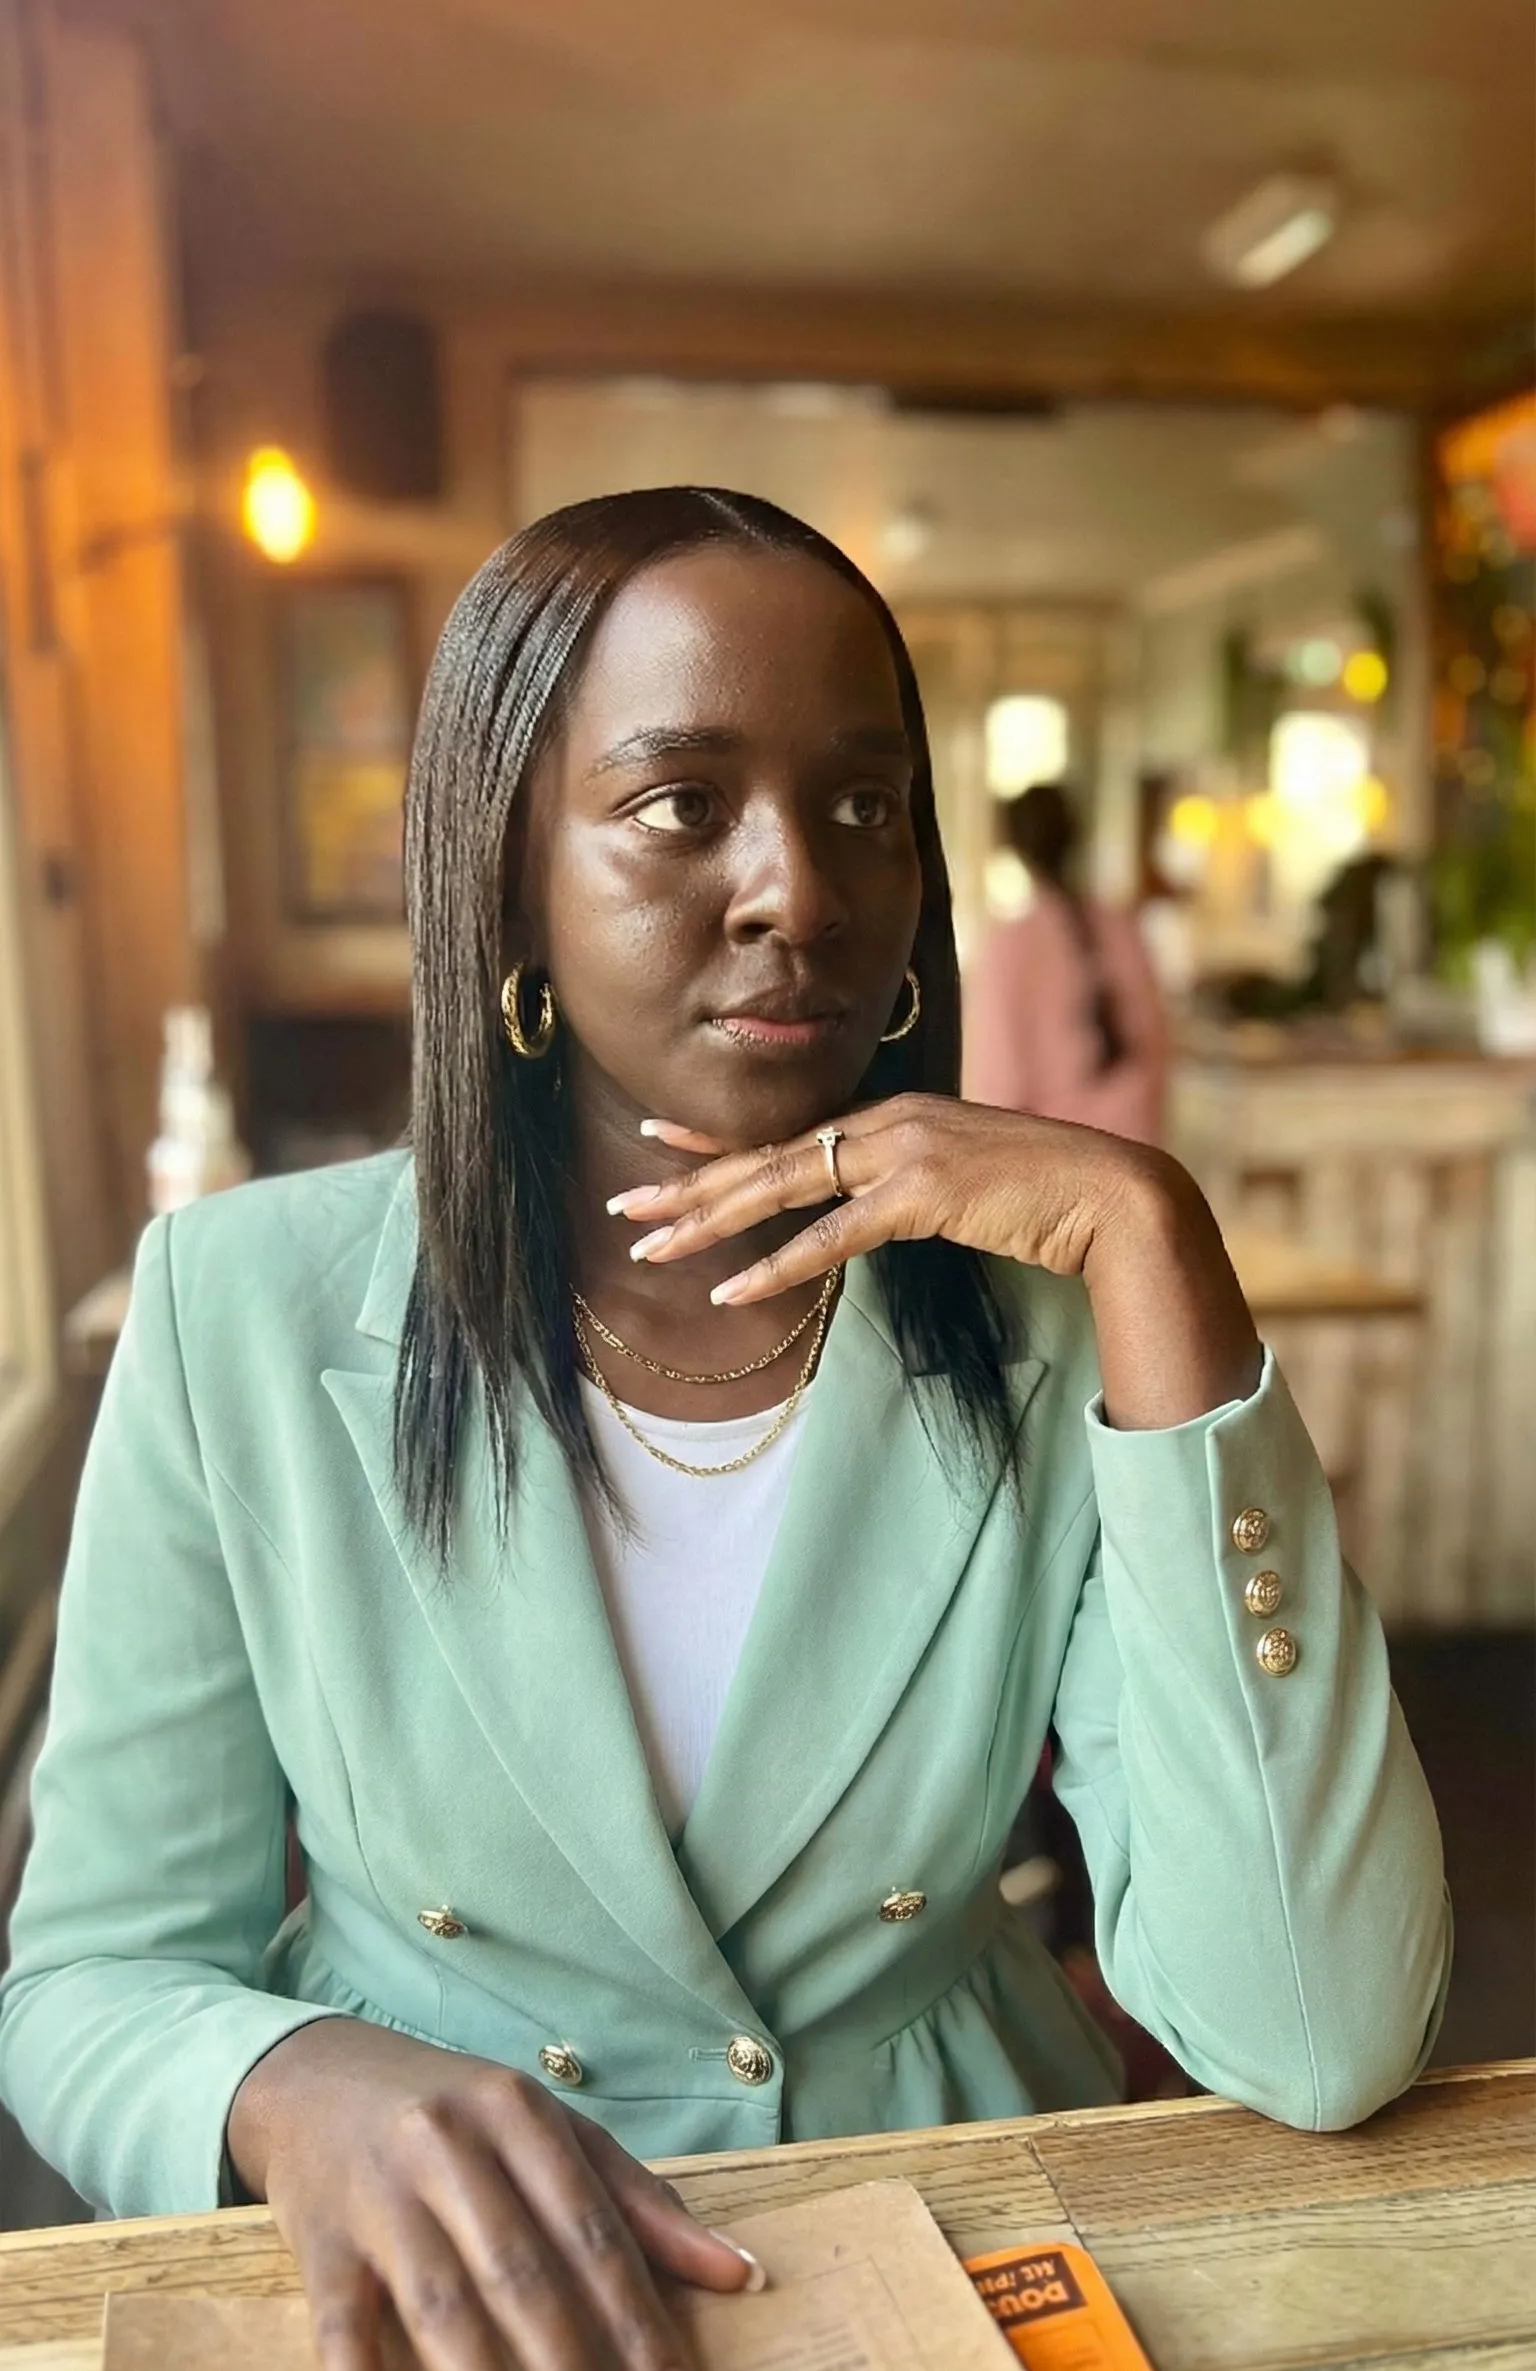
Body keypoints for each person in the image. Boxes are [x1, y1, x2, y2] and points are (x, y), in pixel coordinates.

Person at [0, 489, 1449, 2371]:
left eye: (863, 806)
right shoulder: (241, 1312)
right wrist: (290, 2080)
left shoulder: (1053, 1328)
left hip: (956, 2248)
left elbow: (1323, 2032)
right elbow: (90, 1970)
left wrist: (1156, 1243)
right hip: (449, 2303)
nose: (799, 888)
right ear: (508, 870)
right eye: (683, 804)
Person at [964, 784, 1168, 1144]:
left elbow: (999, 1085)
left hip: (1053, 1161)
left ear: (1013, 848)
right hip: (1136, 1150)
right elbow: (1156, 1047)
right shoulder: (1122, 927)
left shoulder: (1011, 945)